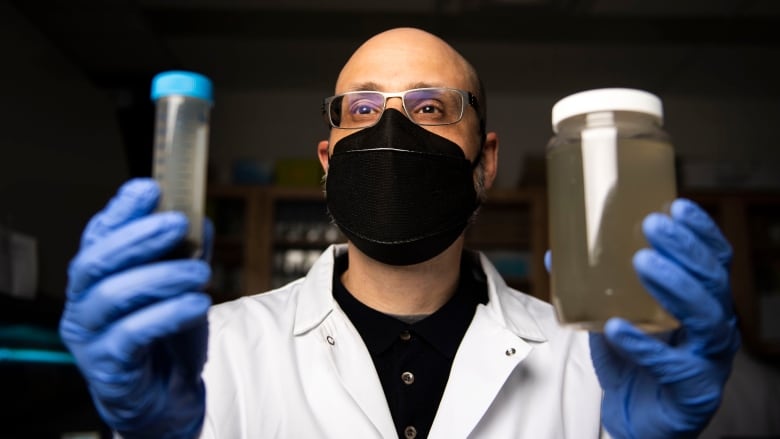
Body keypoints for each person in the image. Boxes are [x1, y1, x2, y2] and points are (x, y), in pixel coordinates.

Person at [59, 27, 740, 438]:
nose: (393, 129)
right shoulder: (217, 349)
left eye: (430, 106)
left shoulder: (591, 360)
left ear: (487, 160)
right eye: (362, 108)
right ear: (328, 161)